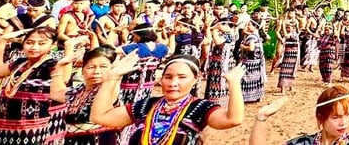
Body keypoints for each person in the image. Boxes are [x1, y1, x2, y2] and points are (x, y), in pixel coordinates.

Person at [91, 53, 245, 145]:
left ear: (195, 80)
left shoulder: (200, 107)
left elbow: (233, 119)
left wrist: (234, 84)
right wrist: (112, 77)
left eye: (182, 77)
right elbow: (100, 117)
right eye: (168, 77)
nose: (173, 83)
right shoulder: (146, 105)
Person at [249, 85, 349, 145]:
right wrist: (261, 118)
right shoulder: (304, 142)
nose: (343, 122)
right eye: (335, 117)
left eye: (347, 115)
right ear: (321, 117)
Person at [0, 27, 63, 145]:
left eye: (42, 43)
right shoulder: (20, 63)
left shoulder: (53, 65)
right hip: (4, 124)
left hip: (34, 129)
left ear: (53, 45)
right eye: (29, 42)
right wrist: (3, 41)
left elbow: (61, 90)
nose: (34, 47)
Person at [60, 45, 123, 145]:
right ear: (82, 70)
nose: (96, 72)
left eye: (103, 67)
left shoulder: (108, 90)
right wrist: (60, 65)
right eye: (91, 67)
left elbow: (115, 78)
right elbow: (56, 93)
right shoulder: (77, 90)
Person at [238, 19, 267, 104]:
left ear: (255, 27)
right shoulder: (257, 36)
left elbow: (251, 48)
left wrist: (242, 47)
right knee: (256, 78)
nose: (247, 26)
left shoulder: (252, 37)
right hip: (256, 61)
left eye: (249, 25)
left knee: (246, 79)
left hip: (250, 62)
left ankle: (246, 97)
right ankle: (257, 96)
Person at [274, 17, 300, 94]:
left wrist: (282, 25)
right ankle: (290, 87)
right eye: (286, 27)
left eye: (289, 27)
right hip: (288, 55)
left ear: (293, 28)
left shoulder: (294, 34)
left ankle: (283, 91)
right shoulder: (292, 34)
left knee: (285, 71)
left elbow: (286, 35)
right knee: (289, 71)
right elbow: (282, 38)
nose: (287, 29)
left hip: (292, 56)